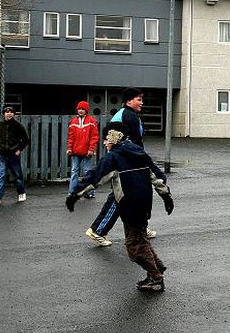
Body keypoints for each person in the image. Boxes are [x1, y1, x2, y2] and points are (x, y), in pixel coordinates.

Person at [66, 122, 174, 292]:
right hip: (144, 203)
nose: (104, 143)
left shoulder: (114, 157)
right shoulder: (139, 152)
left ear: (114, 137)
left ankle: (156, 278)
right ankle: (156, 267)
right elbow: (157, 177)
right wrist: (167, 196)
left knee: (133, 245)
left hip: (129, 205)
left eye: (106, 139)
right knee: (140, 237)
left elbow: (96, 177)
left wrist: (75, 194)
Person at [85, 88, 155, 247]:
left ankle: (140, 228)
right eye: (139, 99)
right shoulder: (127, 115)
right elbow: (112, 140)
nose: (142, 103)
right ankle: (98, 230)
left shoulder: (127, 115)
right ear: (129, 100)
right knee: (120, 196)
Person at [0, 106, 29, 205]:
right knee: (1, 175)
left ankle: (21, 193)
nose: (9, 113)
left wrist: (19, 149)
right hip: (2, 154)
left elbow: (25, 139)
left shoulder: (17, 125)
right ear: (3, 114)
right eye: (7, 112)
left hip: (13, 154)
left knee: (18, 175)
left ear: (14, 114)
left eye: (11, 112)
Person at [67, 101, 99, 198]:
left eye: (82, 109)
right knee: (74, 171)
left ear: (86, 110)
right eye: (79, 109)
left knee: (87, 172)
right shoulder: (73, 122)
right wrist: (69, 148)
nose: (80, 111)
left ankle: (90, 192)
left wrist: (91, 149)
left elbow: (94, 137)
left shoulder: (92, 121)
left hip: (87, 151)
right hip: (76, 151)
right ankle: (72, 192)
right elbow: (70, 137)